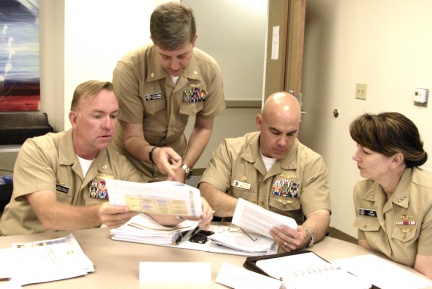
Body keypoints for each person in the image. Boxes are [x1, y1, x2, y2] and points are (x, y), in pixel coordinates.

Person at [0, 80, 213, 236]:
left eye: (113, 116)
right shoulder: (39, 150)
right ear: (74, 119)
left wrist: (187, 208)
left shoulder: (118, 164)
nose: (108, 125)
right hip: (23, 246)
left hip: (79, 251)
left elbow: (153, 207)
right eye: (98, 116)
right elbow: (49, 215)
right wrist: (99, 214)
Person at [199, 92, 331, 251]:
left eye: (291, 134)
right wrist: (249, 210)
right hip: (234, 245)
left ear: (299, 127)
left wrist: (307, 234)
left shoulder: (311, 163)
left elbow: (320, 214)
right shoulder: (231, 150)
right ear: (259, 122)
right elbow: (207, 193)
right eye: (275, 132)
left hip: (281, 249)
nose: (283, 142)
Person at [109, 2, 226, 183]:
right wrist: (154, 153)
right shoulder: (129, 69)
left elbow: (203, 127)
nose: (174, 65)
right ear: (153, 41)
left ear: (194, 40)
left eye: (182, 56)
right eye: (165, 56)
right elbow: (132, 136)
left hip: (174, 164)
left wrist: (184, 168)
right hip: (128, 162)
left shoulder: (208, 70)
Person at [349, 112, 432, 287]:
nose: (355, 156)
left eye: (365, 151)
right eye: (358, 147)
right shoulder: (363, 190)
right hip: (383, 280)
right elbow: (364, 256)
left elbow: (426, 280)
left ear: (395, 160)